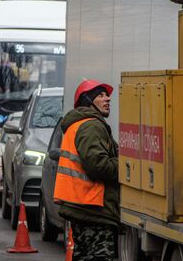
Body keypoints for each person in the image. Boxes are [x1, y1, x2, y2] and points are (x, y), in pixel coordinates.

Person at [54, 79, 119, 261]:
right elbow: (98, 166)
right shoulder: (91, 125)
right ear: (88, 101)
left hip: (82, 207)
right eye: (101, 95)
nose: (107, 99)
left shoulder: (78, 125)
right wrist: (127, 165)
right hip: (93, 209)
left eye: (107, 95)